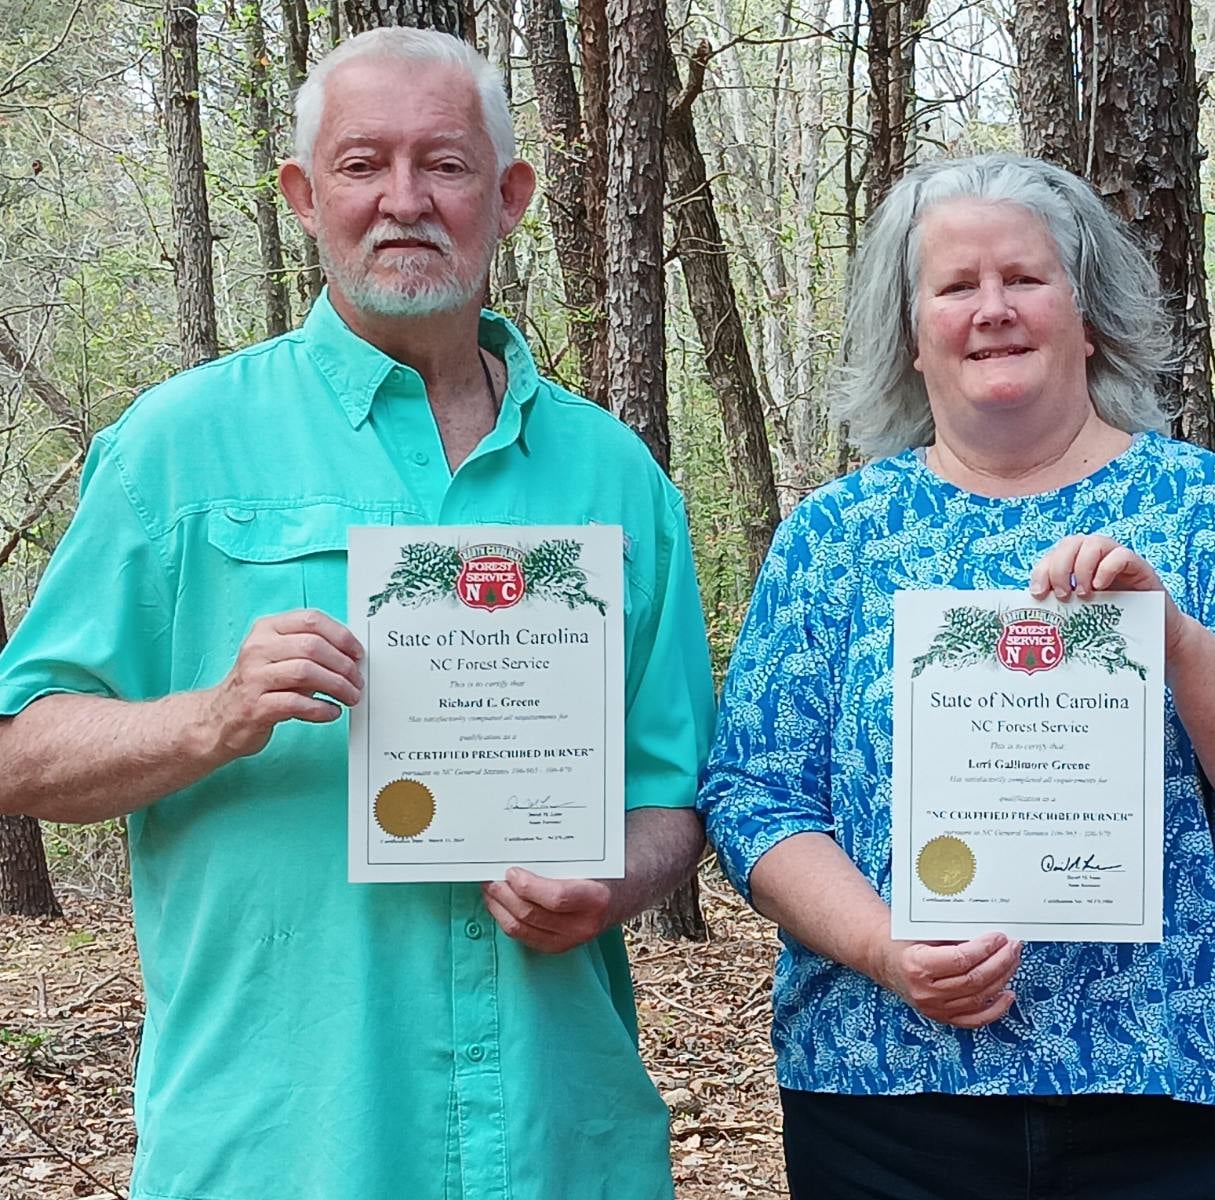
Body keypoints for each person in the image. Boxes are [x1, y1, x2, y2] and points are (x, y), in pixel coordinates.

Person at [0, 28, 713, 1200]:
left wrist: (618, 882)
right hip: (285, 1139)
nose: (403, 201)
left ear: (508, 195)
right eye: (360, 163)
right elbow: (20, 752)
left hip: (557, 1135)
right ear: (301, 195)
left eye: (444, 164)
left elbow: (673, 792)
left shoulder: (616, 478)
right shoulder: (176, 452)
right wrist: (209, 718)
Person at [697, 153, 1215, 1200]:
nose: (993, 310)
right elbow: (754, 799)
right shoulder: (834, 538)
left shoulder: (1213, 512)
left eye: (1023, 278)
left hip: (1181, 1097)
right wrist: (887, 948)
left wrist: (1176, 642)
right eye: (955, 286)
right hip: (887, 1100)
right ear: (908, 333)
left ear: (1086, 311)